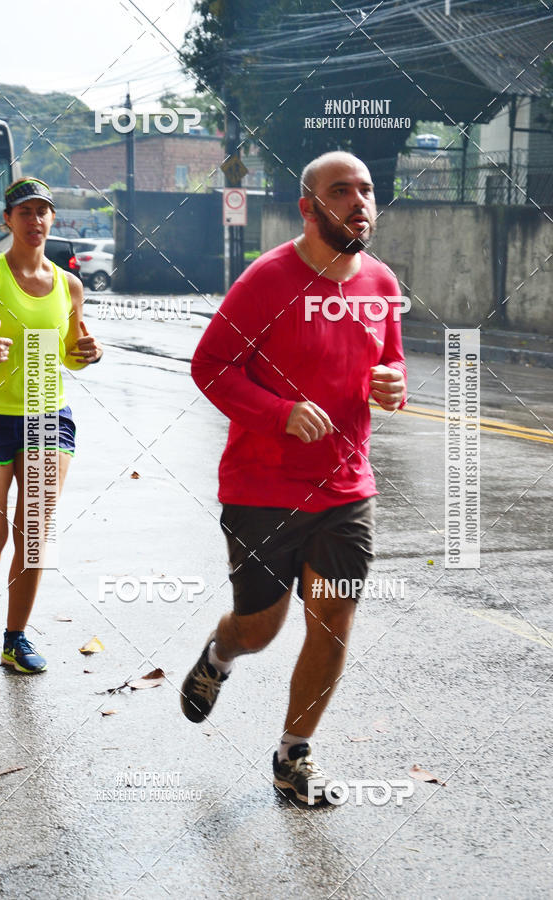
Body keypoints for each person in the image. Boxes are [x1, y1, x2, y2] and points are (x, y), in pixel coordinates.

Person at [181, 151, 407, 804]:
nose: (359, 202)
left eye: (366, 190)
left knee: (333, 620)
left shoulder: (381, 283)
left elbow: (391, 366)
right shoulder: (268, 279)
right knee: (260, 628)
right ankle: (219, 655)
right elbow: (211, 366)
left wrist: (394, 385)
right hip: (263, 489)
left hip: (346, 488)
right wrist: (279, 414)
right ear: (309, 208)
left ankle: (293, 755)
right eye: (342, 191)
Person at [0, 177, 102, 672]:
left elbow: (70, 353)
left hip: (46, 415)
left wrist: (89, 353)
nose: (35, 220)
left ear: (52, 219)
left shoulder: (69, 285)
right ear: (8, 220)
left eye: (42, 211)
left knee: (35, 535)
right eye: (24, 212)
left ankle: (14, 639)